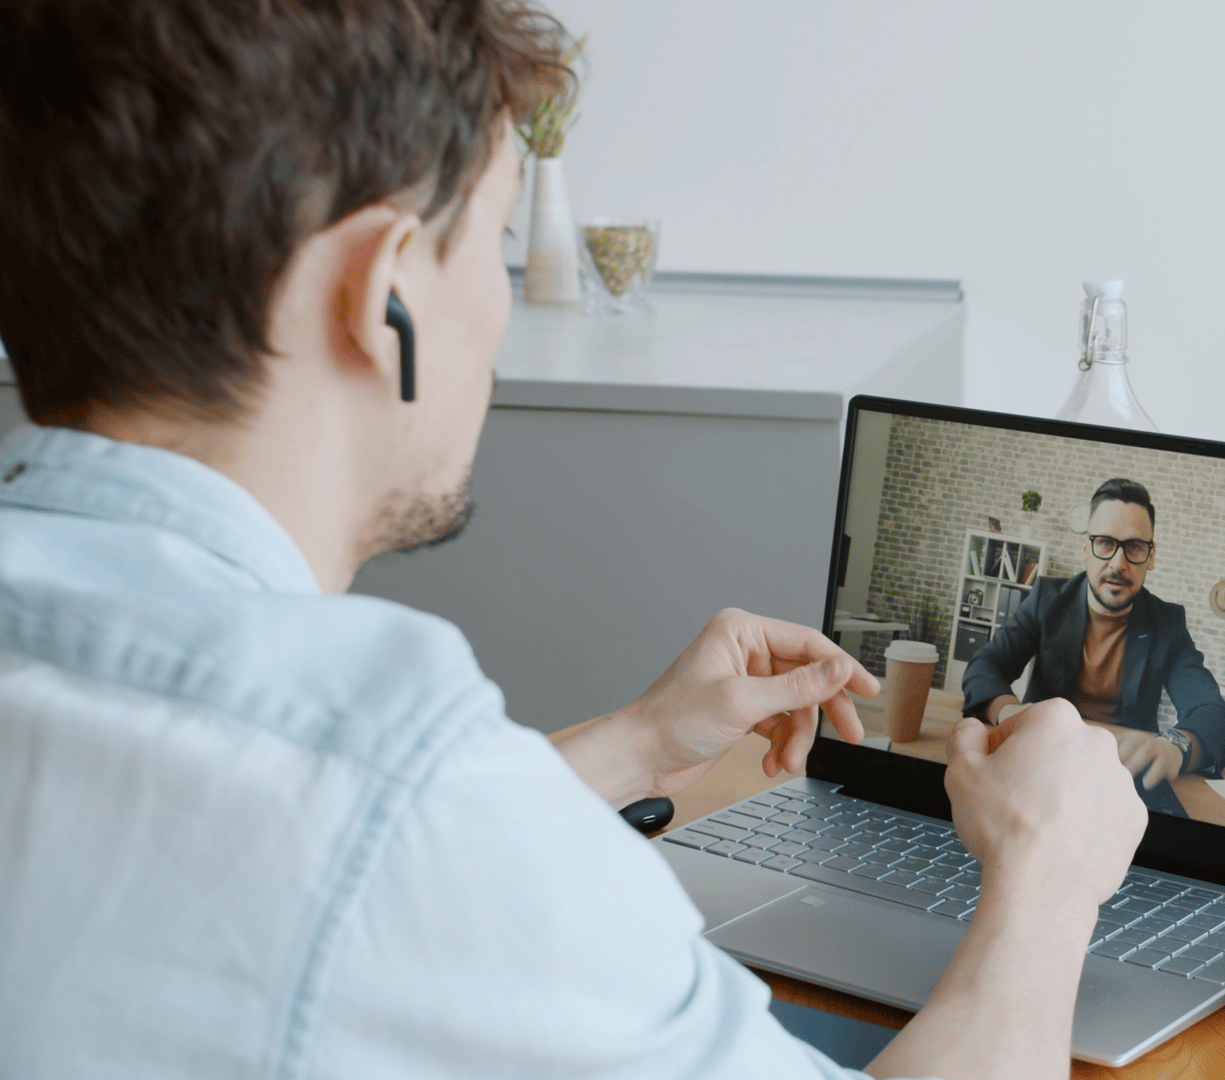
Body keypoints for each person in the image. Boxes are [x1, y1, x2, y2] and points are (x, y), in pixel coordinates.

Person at [0, 3, 1146, 1078]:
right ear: (382, 289)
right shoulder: (409, 790)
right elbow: (390, 834)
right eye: (493, 244)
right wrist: (1047, 875)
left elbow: (288, 843)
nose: (496, 315)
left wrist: (636, 746)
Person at [963, 479, 1225, 817]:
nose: (1118, 563)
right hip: (1040, 760)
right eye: (1105, 543)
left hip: (1125, 779)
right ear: (1085, 549)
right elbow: (985, 666)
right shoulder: (1047, 601)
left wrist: (1176, 746)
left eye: (1134, 547)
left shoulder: (1168, 624)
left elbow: (1215, 715)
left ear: (1150, 557)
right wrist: (1010, 714)